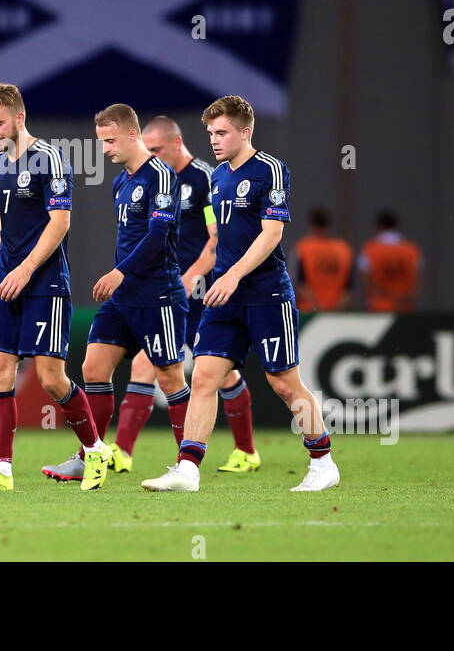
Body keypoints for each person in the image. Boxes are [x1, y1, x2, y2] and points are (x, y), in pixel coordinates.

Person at [141, 96, 338, 493]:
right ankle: (188, 469)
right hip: (224, 296)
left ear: (245, 131)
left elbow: (272, 234)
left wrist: (230, 275)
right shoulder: (216, 178)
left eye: (222, 132)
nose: (214, 140)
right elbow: (216, 234)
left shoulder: (270, 170)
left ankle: (323, 463)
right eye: (210, 133)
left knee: (284, 383)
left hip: (266, 292)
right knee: (204, 377)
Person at [0, 82, 108, 491]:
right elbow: (5, 222)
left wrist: (24, 269)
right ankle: (1, 471)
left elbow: (60, 222)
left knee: (50, 377)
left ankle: (95, 452)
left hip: (44, 282)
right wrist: (3, 269)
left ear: (19, 118)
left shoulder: (50, 158)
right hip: (7, 281)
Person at [40, 105, 187, 487]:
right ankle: (90, 454)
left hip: (158, 293)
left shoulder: (162, 176)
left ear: (132, 134)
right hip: (124, 296)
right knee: (92, 369)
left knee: (170, 377)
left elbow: (158, 237)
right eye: (101, 141)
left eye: (109, 140)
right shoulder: (121, 182)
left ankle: (187, 465)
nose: (104, 149)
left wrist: (119, 271)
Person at [106, 115, 260, 475]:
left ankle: (246, 451)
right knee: (146, 364)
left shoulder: (204, 179)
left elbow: (216, 237)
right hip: (167, 292)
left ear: (177, 143)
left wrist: (191, 277)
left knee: (222, 374)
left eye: (156, 148)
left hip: (200, 290)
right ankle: (123, 451)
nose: (150, 154)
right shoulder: (150, 178)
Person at [359, 210, 422, 312]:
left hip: (378, 307)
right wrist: (402, 298)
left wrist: (387, 296)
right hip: (404, 307)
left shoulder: (369, 250)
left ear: (378, 226)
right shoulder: (412, 250)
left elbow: (366, 280)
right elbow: (418, 281)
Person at [293, 207, 355, 312]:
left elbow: (298, 284)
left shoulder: (303, 248)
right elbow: (349, 287)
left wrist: (317, 307)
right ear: (328, 224)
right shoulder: (344, 249)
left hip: (308, 312)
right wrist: (336, 309)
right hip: (336, 312)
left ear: (311, 225)